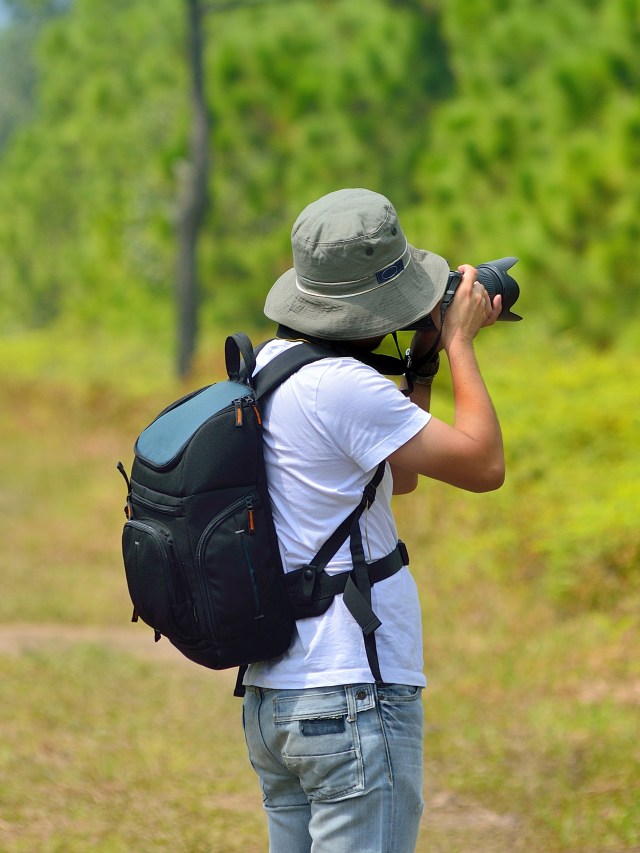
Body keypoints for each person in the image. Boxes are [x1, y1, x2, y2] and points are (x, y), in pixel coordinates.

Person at [241, 188, 504, 853]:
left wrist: (422, 364)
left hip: (280, 695)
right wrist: (462, 341)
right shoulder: (344, 387)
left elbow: (400, 476)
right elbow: (483, 464)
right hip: (350, 692)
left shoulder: (273, 368)